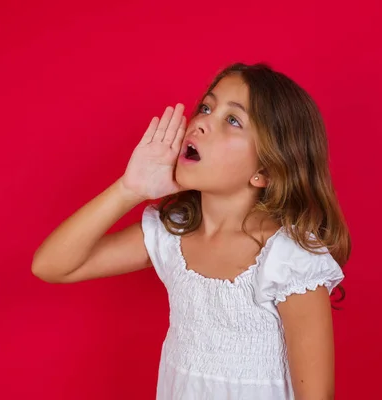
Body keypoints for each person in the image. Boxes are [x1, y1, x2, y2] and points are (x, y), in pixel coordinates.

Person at [32, 62, 351, 400]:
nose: (200, 124)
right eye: (206, 107)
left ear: (264, 171)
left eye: (232, 120)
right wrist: (130, 189)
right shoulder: (174, 236)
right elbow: (51, 265)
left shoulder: (289, 260)